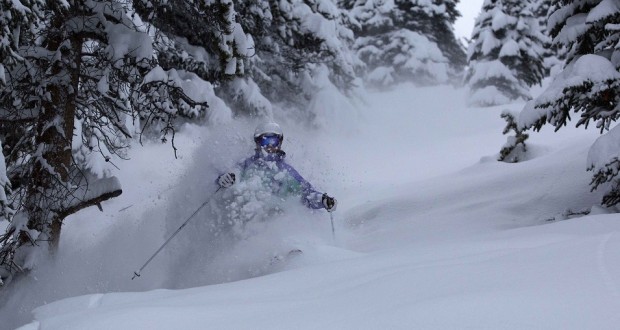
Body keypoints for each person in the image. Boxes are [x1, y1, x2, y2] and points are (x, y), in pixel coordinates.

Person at [216, 122, 337, 214]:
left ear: (279, 143)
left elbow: (306, 193)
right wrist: (224, 180)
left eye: (273, 141)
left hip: (273, 220)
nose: (269, 146)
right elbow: (231, 175)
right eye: (264, 141)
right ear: (257, 143)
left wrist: (322, 200)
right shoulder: (246, 165)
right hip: (245, 217)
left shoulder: (286, 171)